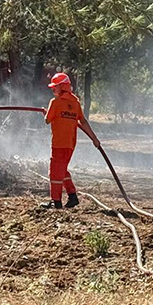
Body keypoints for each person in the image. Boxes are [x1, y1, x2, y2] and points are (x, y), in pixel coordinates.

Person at [43, 72, 100, 209]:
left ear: (62, 87)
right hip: (70, 144)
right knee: (62, 170)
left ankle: (56, 202)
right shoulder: (75, 103)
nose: (52, 89)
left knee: (55, 172)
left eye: (55, 87)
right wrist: (94, 139)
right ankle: (72, 196)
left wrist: (47, 112)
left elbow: (47, 120)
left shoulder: (55, 102)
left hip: (58, 144)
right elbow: (84, 122)